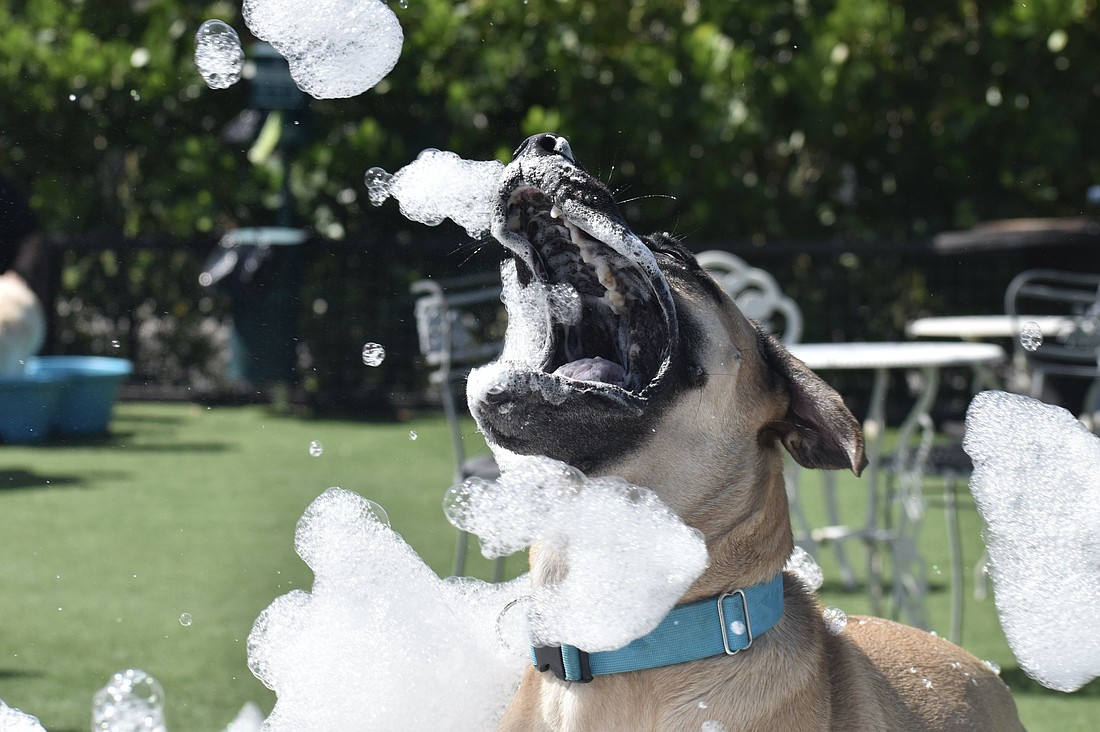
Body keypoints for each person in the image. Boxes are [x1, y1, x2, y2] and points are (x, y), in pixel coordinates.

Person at [0, 176, 49, 375]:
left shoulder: (5, 190)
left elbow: (32, 238)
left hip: (7, 293)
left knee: (10, 367)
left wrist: (17, 275)